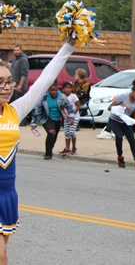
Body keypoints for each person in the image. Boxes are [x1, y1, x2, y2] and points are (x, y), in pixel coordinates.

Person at [0, 37, 76, 265]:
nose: (5, 87)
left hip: (6, 195)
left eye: (9, 82)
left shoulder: (15, 110)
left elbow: (44, 80)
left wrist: (69, 46)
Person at [106, 78, 135, 170]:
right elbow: (109, 108)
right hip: (114, 120)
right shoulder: (123, 96)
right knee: (119, 136)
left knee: (132, 139)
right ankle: (120, 157)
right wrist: (120, 107)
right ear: (132, 90)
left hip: (125, 121)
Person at [31, 82, 75, 160]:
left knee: (54, 136)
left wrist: (71, 117)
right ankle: (48, 153)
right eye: (52, 90)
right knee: (51, 132)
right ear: (48, 90)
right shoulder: (44, 97)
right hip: (46, 117)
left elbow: (70, 107)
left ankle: (50, 148)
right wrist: (34, 122)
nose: (54, 92)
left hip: (58, 118)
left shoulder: (62, 97)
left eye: (56, 90)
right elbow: (36, 109)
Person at [9, 45, 29, 126]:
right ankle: (16, 119)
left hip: (19, 86)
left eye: (17, 50)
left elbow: (24, 73)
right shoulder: (15, 60)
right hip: (13, 85)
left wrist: (20, 85)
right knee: (14, 104)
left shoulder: (23, 60)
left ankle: (23, 121)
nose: (16, 51)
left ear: (21, 51)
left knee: (20, 104)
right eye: (14, 50)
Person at [59, 81, 81, 155]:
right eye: (66, 88)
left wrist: (73, 113)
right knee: (67, 133)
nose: (68, 90)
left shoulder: (73, 96)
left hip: (75, 117)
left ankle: (74, 147)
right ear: (63, 89)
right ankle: (67, 148)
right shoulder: (62, 97)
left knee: (72, 132)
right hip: (66, 117)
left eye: (69, 88)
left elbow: (78, 105)